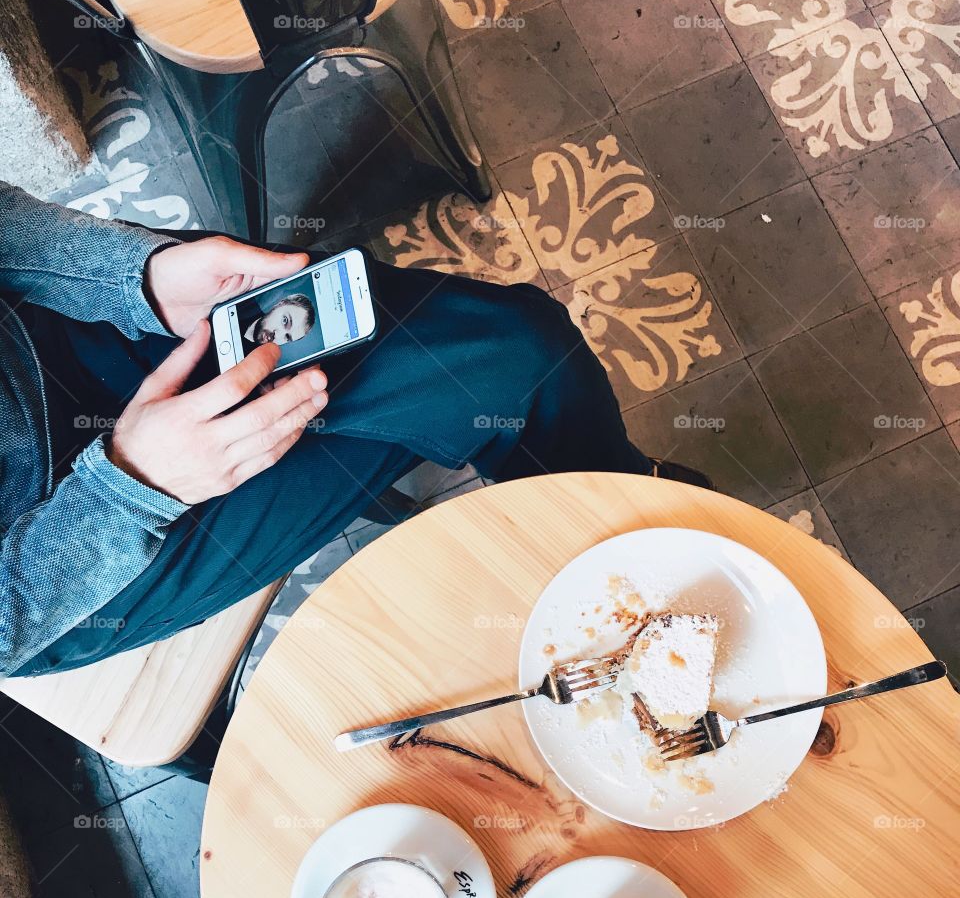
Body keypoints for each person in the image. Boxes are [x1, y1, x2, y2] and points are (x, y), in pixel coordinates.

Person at [0, 181, 710, 678]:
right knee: (439, 395)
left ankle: (625, 520)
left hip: (51, 324)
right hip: (50, 555)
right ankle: (612, 593)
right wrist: (129, 489)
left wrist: (132, 275)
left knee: (523, 352)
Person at [242, 291, 315, 346]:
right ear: (280, 304)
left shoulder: (257, 360)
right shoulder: (245, 301)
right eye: (285, 320)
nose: (277, 336)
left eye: (287, 337)